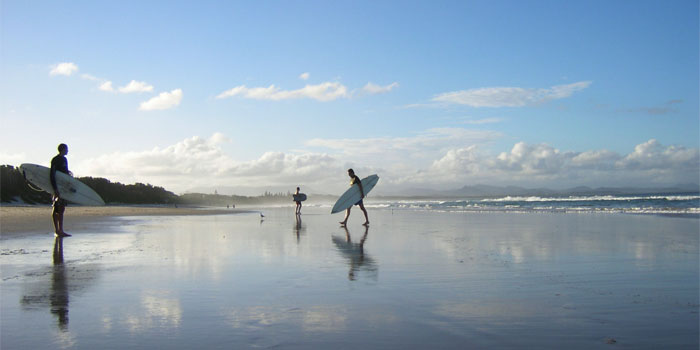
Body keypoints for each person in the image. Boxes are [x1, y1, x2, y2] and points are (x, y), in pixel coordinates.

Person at [51, 143, 72, 237]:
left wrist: (68, 173)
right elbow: (52, 174)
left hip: (63, 187)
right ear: (63, 149)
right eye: (67, 149)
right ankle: (57, 230)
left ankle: (60, 230)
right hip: (57, 187)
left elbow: (64, 172)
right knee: (56, 208)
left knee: (61, 208)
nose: (67, 151)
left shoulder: (64, 159)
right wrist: (55, 189)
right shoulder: (55, 160)